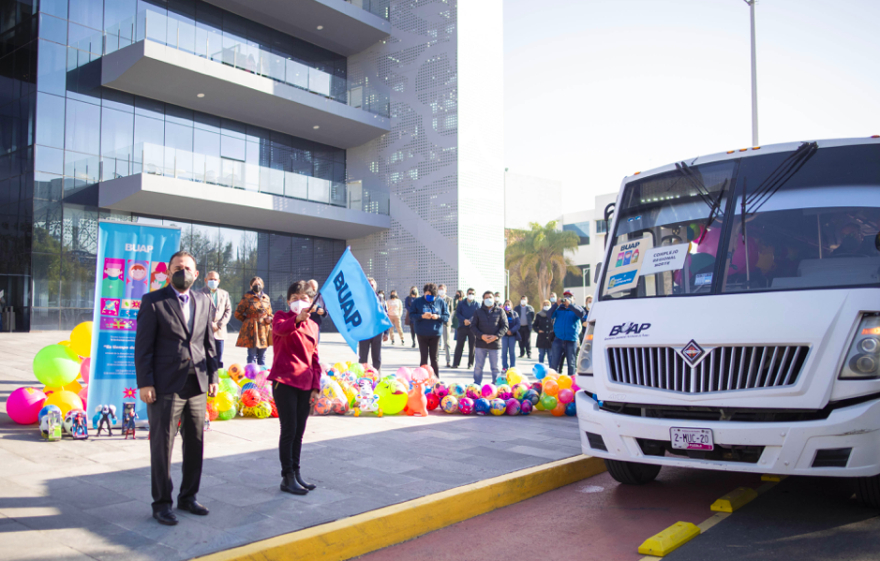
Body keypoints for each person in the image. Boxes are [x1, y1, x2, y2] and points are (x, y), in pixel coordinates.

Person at [135, 251, 218, 526]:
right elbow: (143, 346)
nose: (183, 271)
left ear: (196, 274)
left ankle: (188, 497)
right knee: (162, 446)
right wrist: (145, 382)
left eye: (188, 268)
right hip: (165, 385)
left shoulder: (204, 300)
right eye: (178, 267)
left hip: (197, 383)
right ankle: (161, 503)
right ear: (168, 272)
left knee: (195, 443)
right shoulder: (153, 301)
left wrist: (214, 376)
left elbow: (208, 342)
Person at [269, 281, 321, 496]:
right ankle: (287, 476)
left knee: (299, 431)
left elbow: (315, 357)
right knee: (289, 430)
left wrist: (316, 386)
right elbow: (280, 330)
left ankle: (297, 473)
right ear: (288, 300)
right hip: (285, 380)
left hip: (305, 382)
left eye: (305, 298)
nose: (299, 302)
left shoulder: (314, 325)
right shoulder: (281, 316)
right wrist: (296, 319)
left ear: (311, 302)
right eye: (294, 298)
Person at [410, 283, 449, 376]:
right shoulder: (417, 301)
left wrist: (438, 316)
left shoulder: (441, 302)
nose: (429, 296)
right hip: (421, 333)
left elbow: (446, 316)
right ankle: (422, 378)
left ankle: (435, 378)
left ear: (435, 295)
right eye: (427, 294)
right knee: (423, 357)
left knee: (434, 358)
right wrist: (422, 316)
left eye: (431, 295)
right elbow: (411, 315)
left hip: (435, 334)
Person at [470, 291, 508, 385]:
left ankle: (496, 386)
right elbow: (473, 326)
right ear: (483, 299)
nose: (488, 299)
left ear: (494, 298)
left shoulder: (500, 311)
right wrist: (481, 336)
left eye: (490, 297)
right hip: (481, 344)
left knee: (496, 368)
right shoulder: (478, 312)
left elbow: (505, 326)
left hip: (495, 344)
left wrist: (496, 336)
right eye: (486, 297)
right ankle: (477, 385)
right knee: (478, 367)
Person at [234, 277, 273, 365]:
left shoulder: (266, 297)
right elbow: (237, 313)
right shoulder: (247, 297)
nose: (257, 286)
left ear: (262, 285)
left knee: (262, 355)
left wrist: (270, 319)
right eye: (255, 284)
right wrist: (247, 321)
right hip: (252, 329)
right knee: (252, 355)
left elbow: (270, 312)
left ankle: (261, 376)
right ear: (251, 286)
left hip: (264, 329)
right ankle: (251, 377)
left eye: (259, 284)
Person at [550, 290, 587, 376]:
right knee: (554, 364)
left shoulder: (577, 308)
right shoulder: (559, 309)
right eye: (565, 296)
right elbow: (549, 315)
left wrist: (570, 305)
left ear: (573, 299)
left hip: (571, 340)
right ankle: (553, 383)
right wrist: (556, 304)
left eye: (569, 296)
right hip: (558, 339)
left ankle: (571, 383)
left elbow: (581, 314)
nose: (566, 298)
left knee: (571, 364)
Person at [200, 271, 231, 368]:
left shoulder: (224, 294)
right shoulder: (199, 294)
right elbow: (198, 312)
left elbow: (228, 310)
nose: (213, 281)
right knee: (204, 357)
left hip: (219, 332)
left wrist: (219, 325)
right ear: (205, 280)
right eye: (210, 279)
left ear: (219, 281)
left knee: (219, 359)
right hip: (204, 331)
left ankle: (218, 379)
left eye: (215, 279)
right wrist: (209, 324)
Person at [358, 277, 387, 372]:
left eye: (372, 285)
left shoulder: (381, 299)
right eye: (368, 285)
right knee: (363, 357)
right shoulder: (360, 298)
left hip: (377, 331)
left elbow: (385, 315)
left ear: (375, 287)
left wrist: (386, 332)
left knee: (376, 357)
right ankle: (362, 377)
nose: (370, 287)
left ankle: (376, 377)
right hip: (364, 331)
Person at [452, 288, 478, 369]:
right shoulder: (461, 303)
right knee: (459, 345)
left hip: (472, 328)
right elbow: (458, 314)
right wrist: (464, 320)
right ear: (466, 294)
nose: (471, 295)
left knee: (472, 346)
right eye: (469, 293)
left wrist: (470, 320)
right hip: (462, 327)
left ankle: (470, 363)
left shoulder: (477, 304)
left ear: (475, 295)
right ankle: (456, 363)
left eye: (472, 293)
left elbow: (478, 315)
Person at [533, 299, 555, 365]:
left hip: (551, 338)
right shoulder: (539, 315)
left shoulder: (553, 315)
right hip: (541, 338)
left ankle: (551, 369)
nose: (546, 306)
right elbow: (534, 325)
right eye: (545, 305)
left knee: (550, 355)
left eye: (547, 305)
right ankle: (541, 368)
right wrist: (538, 330)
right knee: (541, 354)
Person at [437, 284, 454, 367]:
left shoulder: (449, 299)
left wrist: (444, 318)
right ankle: (436, 360)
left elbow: (450, 311)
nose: (441, 290)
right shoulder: (435, 299)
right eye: (439, 289)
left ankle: (448, 360)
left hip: (446, 323)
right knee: (436, 342)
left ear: (446, 290)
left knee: (447, 342)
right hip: (436, 323)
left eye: (442, 289)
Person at [500, 300, 520, 370]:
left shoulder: (515, 314)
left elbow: (518, 324)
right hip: (504, 335)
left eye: (509, 304)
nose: (507, 306)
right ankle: (504, 366)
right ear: (503, 306)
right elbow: (499, 324)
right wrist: (505, 331)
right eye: (506, 304)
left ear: (511, 305)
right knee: (504, 352)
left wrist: (511, 331)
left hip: (512, 335)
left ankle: (512, 366)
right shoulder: (501, 313)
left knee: (512, 352)